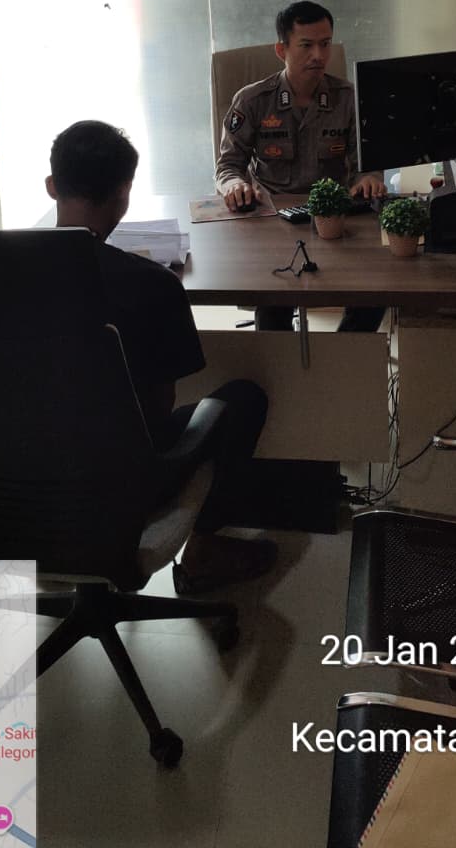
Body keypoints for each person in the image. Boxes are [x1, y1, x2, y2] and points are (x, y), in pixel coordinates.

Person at [46, 119, 276, 593]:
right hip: (120, 488)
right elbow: (159, 407)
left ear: (52, 186)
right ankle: (204, 551)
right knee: (244, 398)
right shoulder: (151, 284)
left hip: (12, 488)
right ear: (124, 195)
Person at [214, 0, 387, 331]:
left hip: (336, 219)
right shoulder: (252, 100)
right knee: (273, 309)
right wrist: (235, 185)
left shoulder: (349, 98)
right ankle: (283, 360)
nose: (318, 55)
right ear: (282, 49)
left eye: (325, 44)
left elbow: (367, 163)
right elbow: (228, 166)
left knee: (375, 292)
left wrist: (369, 178)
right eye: (306, 45)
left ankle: (343, 354)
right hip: (274, 221)